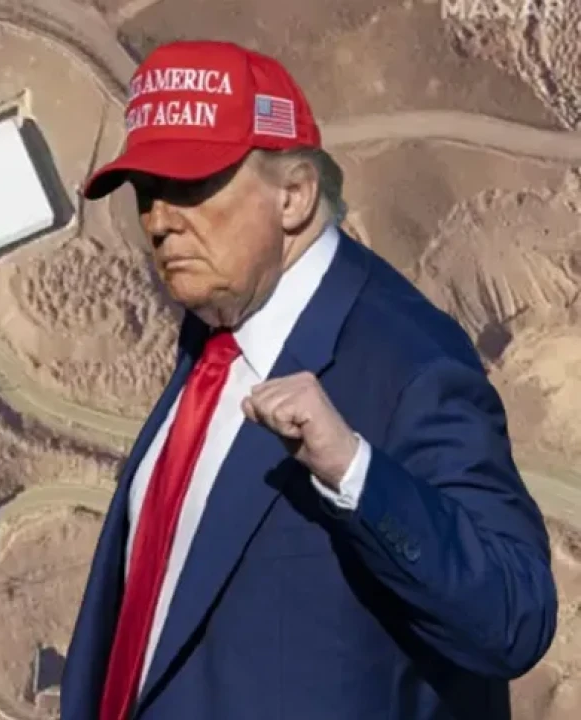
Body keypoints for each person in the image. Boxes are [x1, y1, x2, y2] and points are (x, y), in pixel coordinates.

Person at [60, 39, 558, 720]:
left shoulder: (412, 363)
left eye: (190, 185)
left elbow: (515, 615)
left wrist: (356, 473)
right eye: (147, 192)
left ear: (293, 195)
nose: (159, 221)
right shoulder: (219, 327)